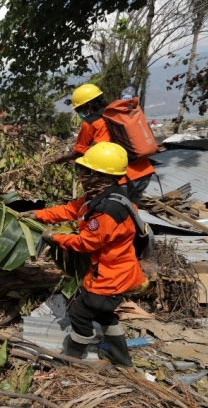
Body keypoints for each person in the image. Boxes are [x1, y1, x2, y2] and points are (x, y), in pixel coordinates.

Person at [20, 142, 146, 366]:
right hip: (111, 271)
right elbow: (70, 210)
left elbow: (88, 242)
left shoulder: (109, 210)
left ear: (99, 175)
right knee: (104, 315)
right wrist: (37, 215)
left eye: (85, 172)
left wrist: (55, 238)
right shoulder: (101, 197)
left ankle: (70, 357)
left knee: (80, 313)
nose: (80, 176)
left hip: (111, 276)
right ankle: (121, 358)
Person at [52, 84, 155, 205]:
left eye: (79, 109)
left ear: (88, 106)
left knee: (113, 215)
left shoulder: (91, 123)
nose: (79, 113)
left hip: (122, 179)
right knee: (130, 214)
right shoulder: (117, 115)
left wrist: (62, 158)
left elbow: (80, 152)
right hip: (144, 173)